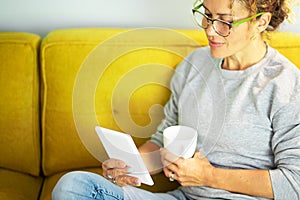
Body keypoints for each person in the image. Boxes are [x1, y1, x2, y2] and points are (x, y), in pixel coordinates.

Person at [52, 0, 300, 199]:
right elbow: (163, 140)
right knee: (73, 186)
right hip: (183, 197)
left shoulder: (285, 84)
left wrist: (209, 177)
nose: (209, 29)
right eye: (206, 14)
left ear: (260, 22)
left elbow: (295, 184)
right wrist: (131, 166)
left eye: (225, 21)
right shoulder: (194, 65)